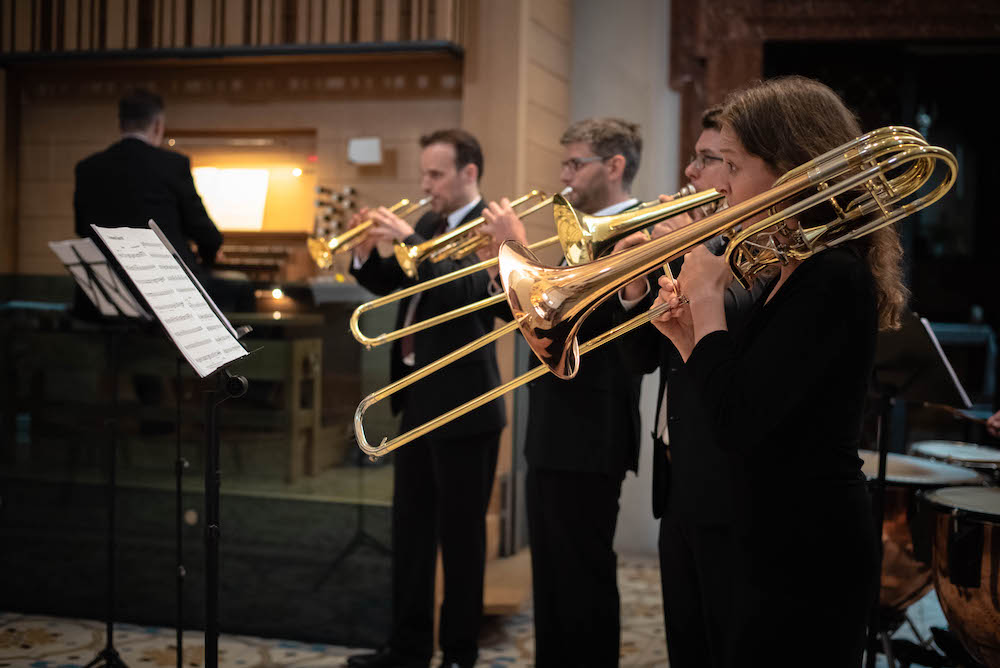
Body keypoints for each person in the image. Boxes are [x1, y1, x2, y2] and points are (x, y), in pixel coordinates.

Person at [645, 75, 903, 667]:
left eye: (732, 166)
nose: (722, 186)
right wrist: (688, 336)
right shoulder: (793, 267)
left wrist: (708, 302)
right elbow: (740, 395)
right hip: (766, 537)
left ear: (788, 169)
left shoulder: (832, 277)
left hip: (805, 551)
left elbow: (738, 423)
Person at [478, 118, 647, 667]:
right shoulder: (576, 227)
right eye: (565, 163)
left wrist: (520, 251)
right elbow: (542, 320)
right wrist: (502, 270)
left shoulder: (642, 232)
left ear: (614, 166)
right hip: (552, 426)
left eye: (575, 163)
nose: (564, 176)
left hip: (594, 429)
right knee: (552, 577)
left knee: (584, 576)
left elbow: (614, 340)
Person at [347, 129, 505, 668]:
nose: (425, 184)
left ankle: (459, 654)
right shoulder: (429, 224)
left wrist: (409, 246)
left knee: (460, 544)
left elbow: (462, 295)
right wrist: (367, 253)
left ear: (469, 174)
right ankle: (407, 648)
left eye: (436, 174)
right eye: (424, 174)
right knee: (410, 535)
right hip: (416, 397)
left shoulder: (492, 228)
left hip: (466, 405)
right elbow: (395, 283)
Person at [73, 89, 251, 312]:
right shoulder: (173, 164)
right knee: (240, 286)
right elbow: (207, 234)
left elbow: (81, 228)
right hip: (165, 293)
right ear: (158, 125)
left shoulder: (88, 168)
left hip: (106, 292)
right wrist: (205, 260)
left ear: (121, 125)